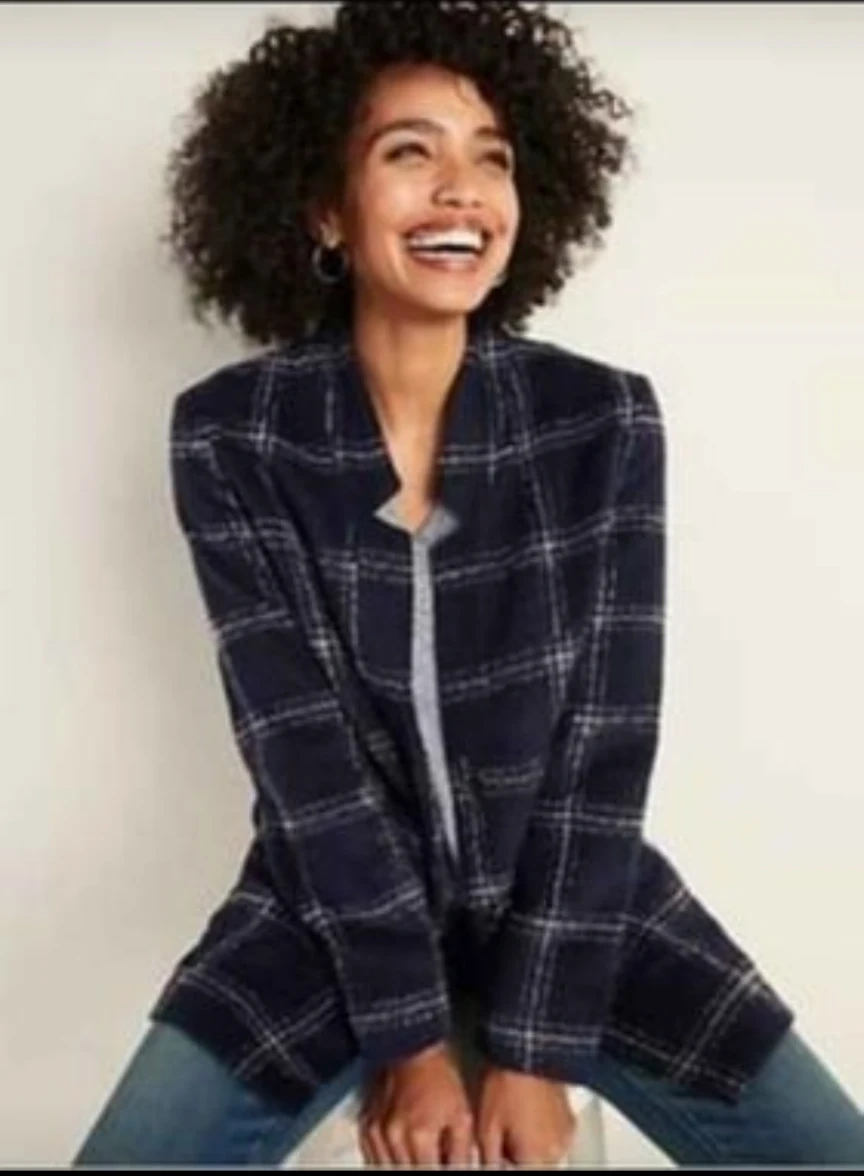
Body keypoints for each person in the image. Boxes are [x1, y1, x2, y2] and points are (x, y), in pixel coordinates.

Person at [72, 1, 864, 1167]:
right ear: (326, 207)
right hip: (322, 915)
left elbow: (604, 749)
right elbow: (306, 765)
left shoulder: (601, 420)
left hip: (579, 907)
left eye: (491, 158)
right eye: (410, 152)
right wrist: (411, 1041)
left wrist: (534, 1051)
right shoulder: (233, 434)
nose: (462, 192)